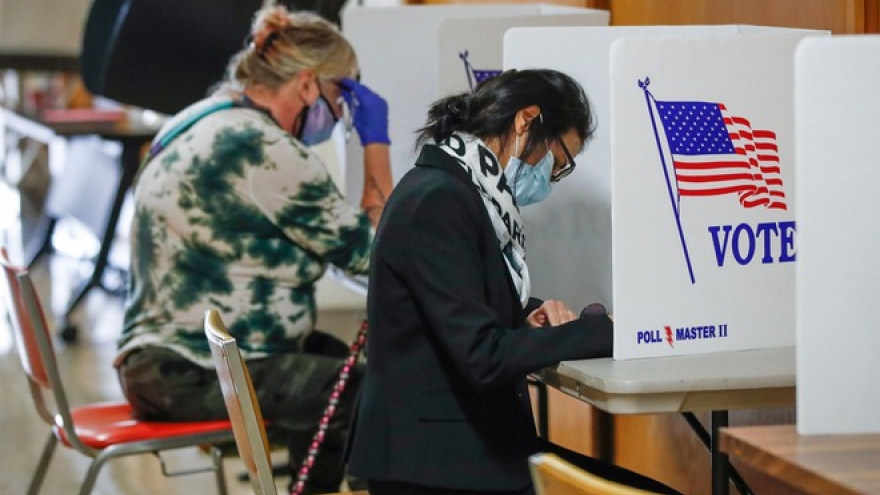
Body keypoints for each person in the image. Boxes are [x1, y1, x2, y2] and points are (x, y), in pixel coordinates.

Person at [344, 69, 683, 495]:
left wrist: (526, 315)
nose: (550, 178)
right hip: (438, 466)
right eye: (558, 162)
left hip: (462, 450)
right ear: (526, 121)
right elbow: (482, 355)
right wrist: (608, 331)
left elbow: (461, 307)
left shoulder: (457, 190)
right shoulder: (439, 199)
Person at [114, 5, 392, 494]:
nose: (341, 116)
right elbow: (379, 255)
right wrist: (376, 144)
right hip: (189, 372)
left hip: (158, 362)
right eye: (341, 97)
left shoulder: (199, 117)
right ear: (307, 85)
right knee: (360, 391)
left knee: (335, 357)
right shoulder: (267, 150)